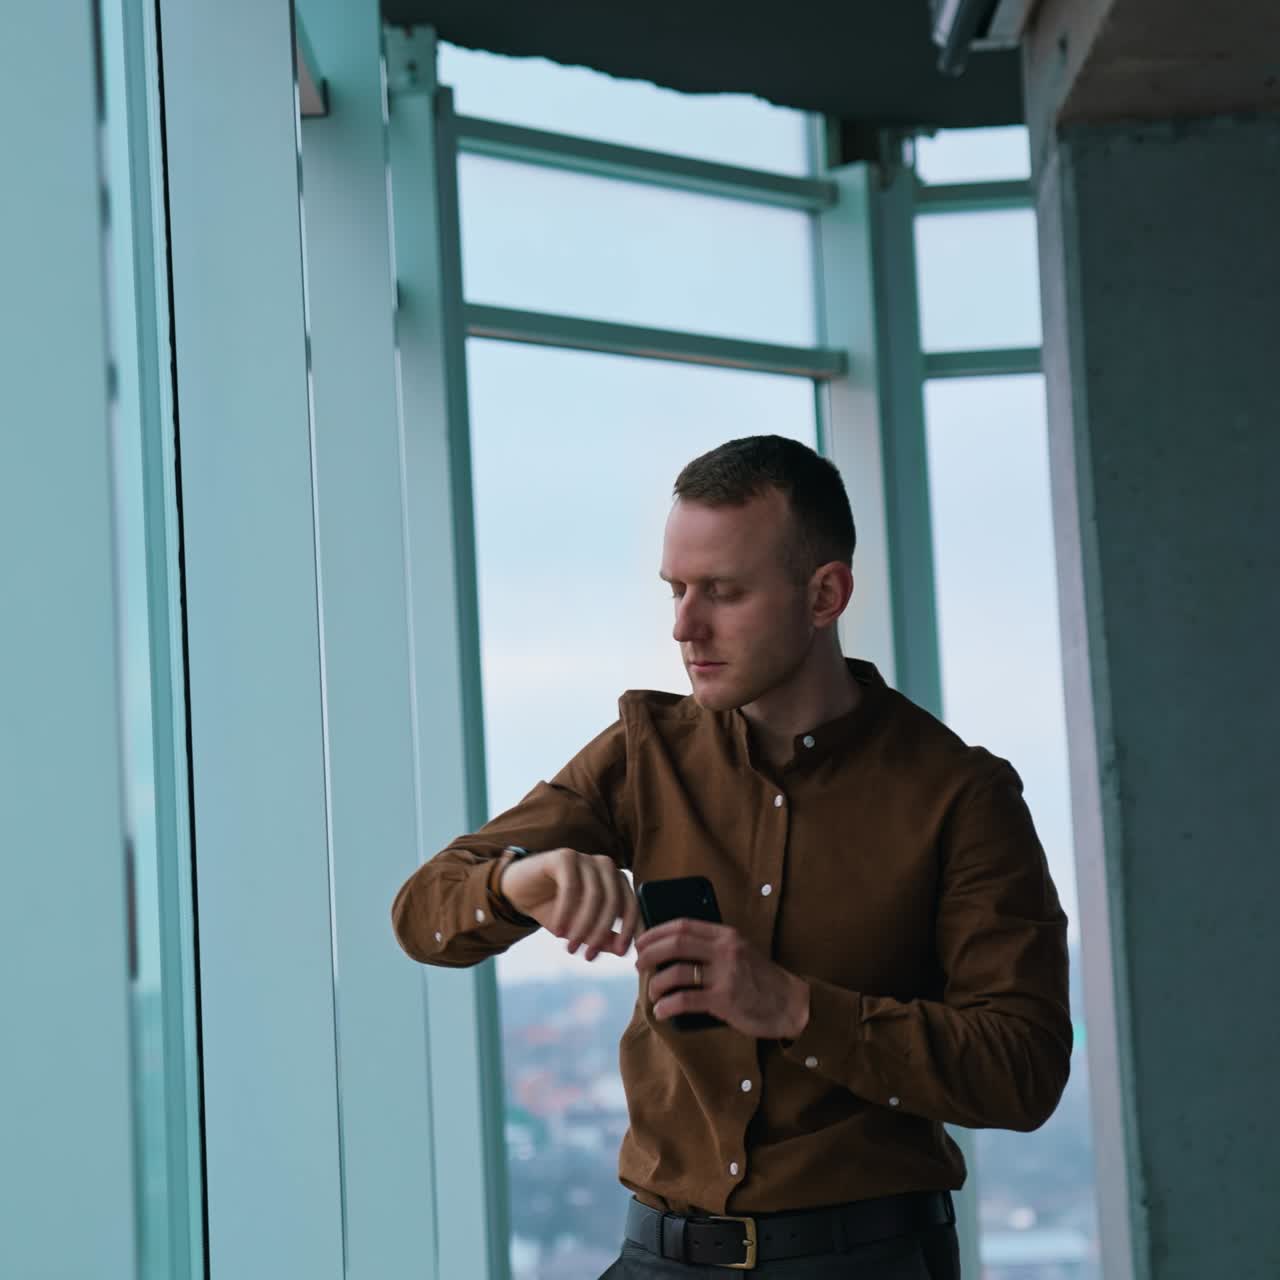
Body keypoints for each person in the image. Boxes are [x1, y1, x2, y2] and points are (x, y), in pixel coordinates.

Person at [391, 434, 1072, 1277]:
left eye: (721, 591)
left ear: (825, 594)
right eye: (676, 590)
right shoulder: (644, 755)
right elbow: (423, 916)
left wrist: (790, 1007)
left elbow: (1023, 1071)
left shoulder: (962, 796)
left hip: (866, 1261)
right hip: (656, 1256)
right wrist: (518, 880)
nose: (684, 625)